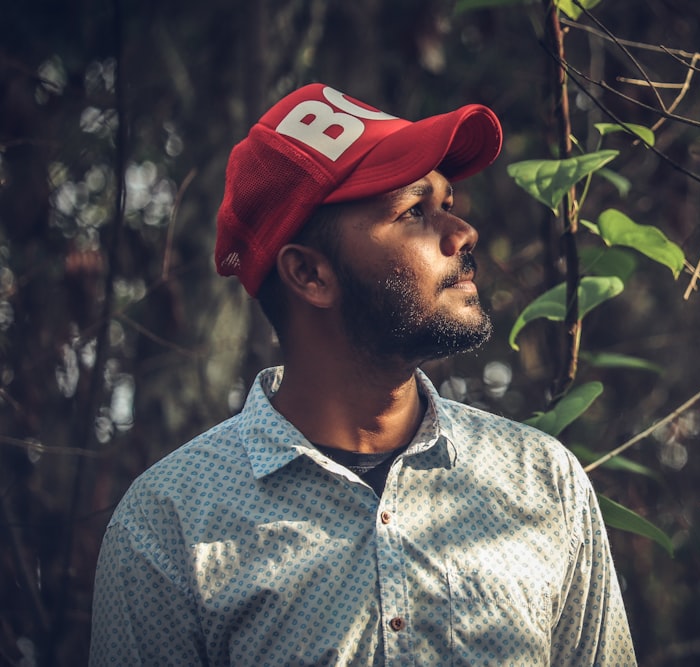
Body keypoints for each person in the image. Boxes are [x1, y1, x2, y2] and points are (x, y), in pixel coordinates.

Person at [89, 83, 637, 666]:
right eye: (413, 213)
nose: (462, 233)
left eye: (447, 204)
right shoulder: (170, 523)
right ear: (309, 274)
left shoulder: (541, 481)